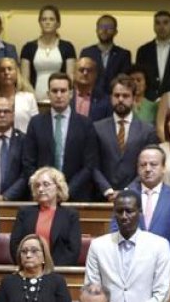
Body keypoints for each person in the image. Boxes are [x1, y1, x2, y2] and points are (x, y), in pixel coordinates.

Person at [86, 191, 170, 302]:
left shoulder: (159, 245)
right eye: (119, 211)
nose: (124, 216)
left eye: (130, 211)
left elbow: (162, 293)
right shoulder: (98, 246)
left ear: (140, 212)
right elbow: (92, 290)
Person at [23, 73, 99, 202]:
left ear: (71, 94)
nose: (59, 95)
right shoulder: (36, 123)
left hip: (76, 196)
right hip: (42, 196)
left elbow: (89, 165)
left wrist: (65, 190)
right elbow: (28, 162)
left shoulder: (85, 124)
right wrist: (45, 188)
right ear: (48, 94)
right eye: (54, 91)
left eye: (63, 91)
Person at [118, 145, 170, 266]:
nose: (147, 169)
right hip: (130, 265)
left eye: (153, 164)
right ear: (137, 168)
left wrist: (161, 256)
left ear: (163, 168)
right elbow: (116, 229)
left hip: (167, 265)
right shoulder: (125, 196)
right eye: (143, 165)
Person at [93, 75, 160, 199]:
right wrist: (107, 190)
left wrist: (128, 191)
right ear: (110, 97)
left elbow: (148, 165)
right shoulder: (97, 128)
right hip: (102, 198)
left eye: (125, 96)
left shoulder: (147, 130)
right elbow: (93, 165)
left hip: (137, 198)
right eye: (116, 95)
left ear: (134, 98)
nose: (120, 99)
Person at [10, 167, 81, 266]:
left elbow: (73, 250)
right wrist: (29, 266)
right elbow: (15, 245)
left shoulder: (70, 215)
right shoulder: (25, 213)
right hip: (29, 269)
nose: (40, 189)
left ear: (58, 187)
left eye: (46, 184)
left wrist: (51, 270)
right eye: (37, 185)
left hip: (59, 271)